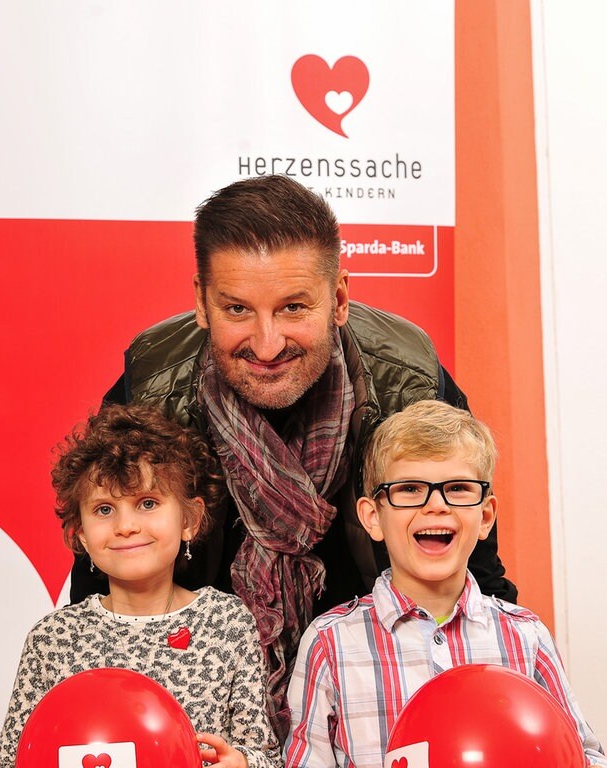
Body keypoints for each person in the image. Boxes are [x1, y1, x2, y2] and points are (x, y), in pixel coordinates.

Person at [69, 173, 516, 737]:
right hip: (205, 700)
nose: (267, 344)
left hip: (370, 691)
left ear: (340, 299)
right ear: (201, 304)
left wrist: (493, 702)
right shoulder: (154, 388)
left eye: (292, 308)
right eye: (236, 309)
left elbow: (475, 569)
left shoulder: (411, 383)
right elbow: (100, 579)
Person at [285, 400, 607, 768]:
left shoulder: (526, 637)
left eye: (457, 488)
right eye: (409, 489)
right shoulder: (331, 642)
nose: (436, 505)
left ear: (485, 516)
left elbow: (582, 756)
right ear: (373, 517)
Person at [0, 405, 281, 768]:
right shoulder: (53, 638)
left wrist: (242, 763)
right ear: (80, 533)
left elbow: (265, 754)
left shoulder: (226, 622)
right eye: (105, 510)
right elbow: (9, 761)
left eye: (147, 503)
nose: (125, 526)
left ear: (189, 520)